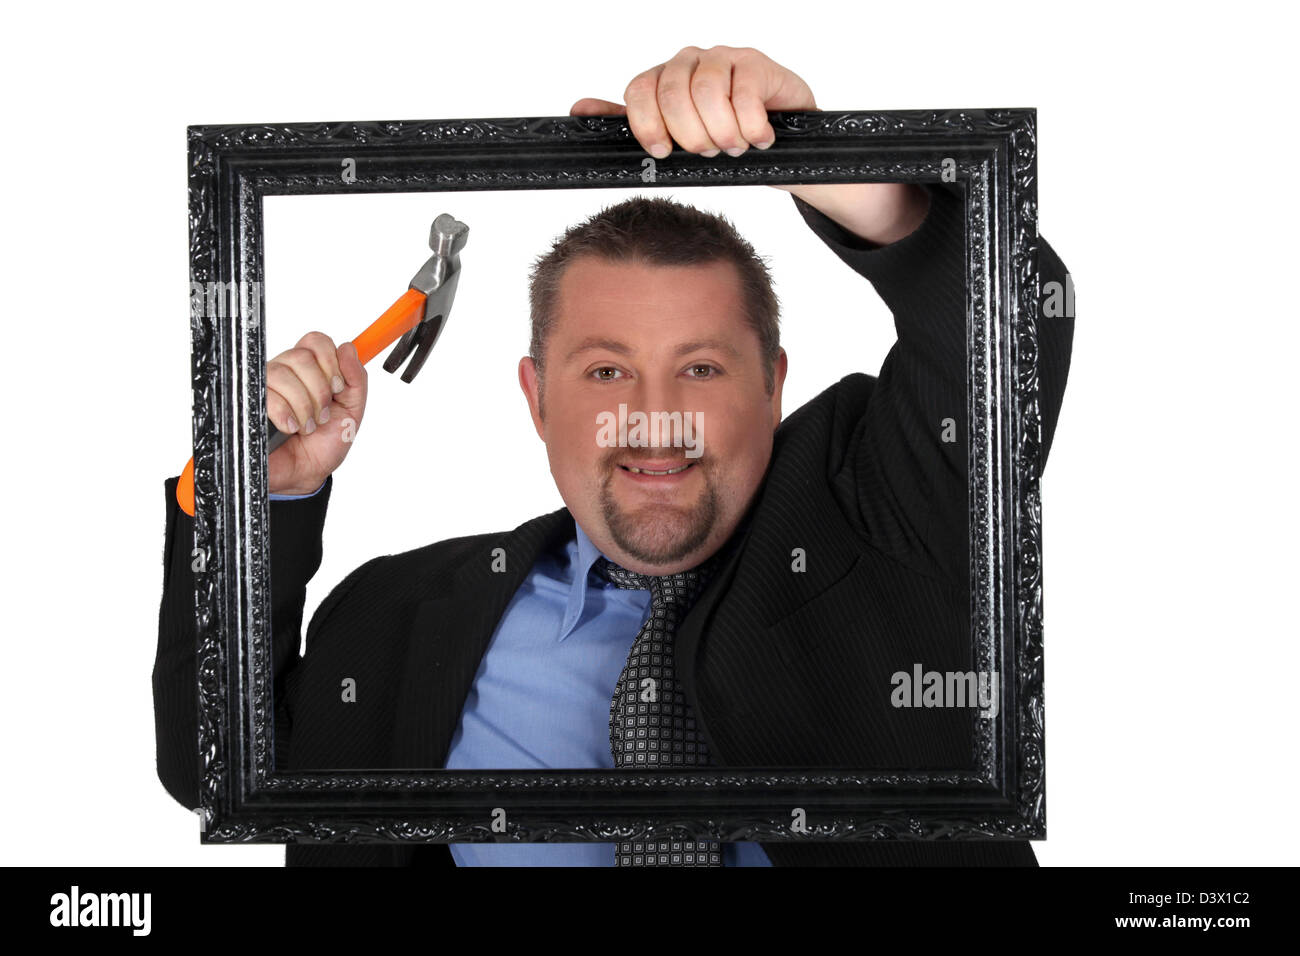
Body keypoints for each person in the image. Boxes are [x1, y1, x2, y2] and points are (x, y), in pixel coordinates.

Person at [155, 45, 1074, 866]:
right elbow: (212, 765)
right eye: (605, 371)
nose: (653, 417)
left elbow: (1011, 315)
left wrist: (839, 167)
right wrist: (258, 493)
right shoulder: (395, 613)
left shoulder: (886, 516)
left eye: (702, 367)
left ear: (774, 386)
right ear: (537, 398)